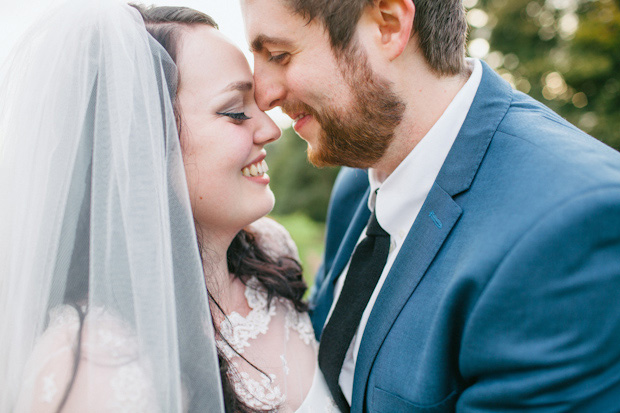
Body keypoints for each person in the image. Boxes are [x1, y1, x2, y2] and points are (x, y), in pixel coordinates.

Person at [241, 0, 620, 411]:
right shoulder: (359, 176)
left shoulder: (572, 227)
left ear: (388, 24)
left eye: (279, 55)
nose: (262, 95)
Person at [0, 1, 335, 412]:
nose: (268, 129)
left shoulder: (274, 254)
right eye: (235, 112)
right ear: (143, 146)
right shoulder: (94, 366)